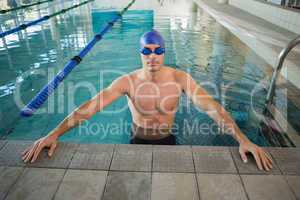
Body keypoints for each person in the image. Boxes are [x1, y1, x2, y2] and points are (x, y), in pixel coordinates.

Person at [22, 30, 273, 171]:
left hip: (168, 140)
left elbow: (212, 109)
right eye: (147, 50)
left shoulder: (179, 79)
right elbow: (88, 109)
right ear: (140, 52)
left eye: (158, 50)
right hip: (136, 140)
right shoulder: (127, 82)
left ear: (164, 52)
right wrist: (54, 133)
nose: (152, 56)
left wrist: (243, 139)